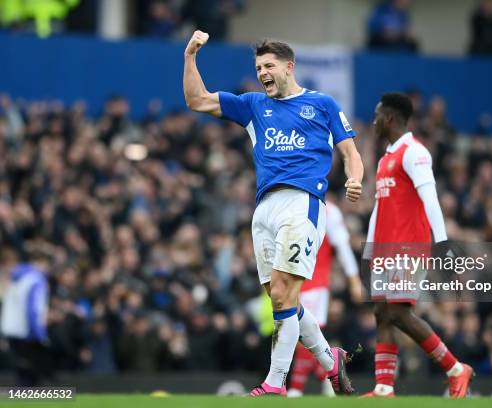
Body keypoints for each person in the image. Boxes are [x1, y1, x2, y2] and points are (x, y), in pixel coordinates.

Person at [183, 30, 364, 396]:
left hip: (302, 203)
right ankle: (332, 361)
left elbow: (350, 152)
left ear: (289, 67)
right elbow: (197, 101)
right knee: (280, 298)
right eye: (258, 67)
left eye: (269, 66)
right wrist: (189, 57)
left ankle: (275, 382)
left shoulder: (322, 105)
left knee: (284, 292)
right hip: (263, 208)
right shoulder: (253, 105)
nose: (263, 72)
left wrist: (355, 179)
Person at [362, 93, 473, 398]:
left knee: (398, 313)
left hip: (408, 247)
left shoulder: (414, 152)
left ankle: (455, 369)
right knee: (382, 313)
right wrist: (369, 250)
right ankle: (384, 388)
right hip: (385, 249)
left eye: (375, 116)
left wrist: (443, 243)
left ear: (388, 119)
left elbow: (431, 198)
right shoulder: (386, 158)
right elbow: (378, 207)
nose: (372, 122)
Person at [287, 201, 363, 397]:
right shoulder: (292, 204)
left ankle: (296, 388)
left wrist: (353, 279)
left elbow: (343, 246)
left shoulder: (329, 210)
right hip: (291, 281)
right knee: (297, 334)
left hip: (315, 283)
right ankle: (331, 378)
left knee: (305, 333)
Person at [0, 250, 51, 386]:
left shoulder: (15, 278)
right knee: (34, 370)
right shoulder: (36, 279)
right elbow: (33, 309)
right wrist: (39, 334)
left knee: (22, 368)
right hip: (28, 331)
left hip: (11, 329)